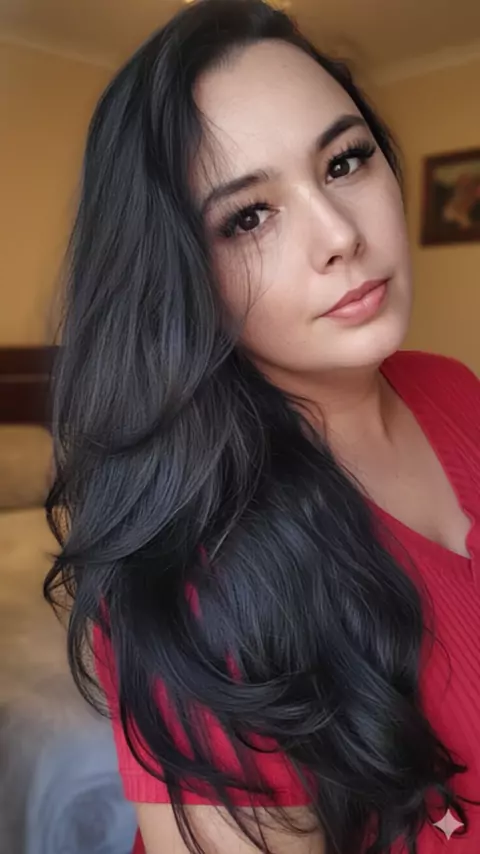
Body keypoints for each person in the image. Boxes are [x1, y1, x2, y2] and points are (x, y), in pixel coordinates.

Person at [44, 1, 480, 852]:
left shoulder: (453, 385)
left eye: (345, 161)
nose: (340, 235)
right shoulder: (191, 576)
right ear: (177, 278)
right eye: (248, 216)